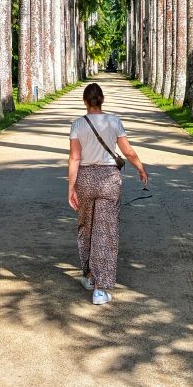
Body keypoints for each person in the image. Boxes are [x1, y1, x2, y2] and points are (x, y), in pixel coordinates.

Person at [68, 82, 148, 305]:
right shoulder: (114, 121)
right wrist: (141, 168)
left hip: (85, 179)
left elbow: (74, 158)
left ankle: (88, 275)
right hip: (109, 180)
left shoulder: (77, 124)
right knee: (106, 231)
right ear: (102, 100)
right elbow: (128, 151)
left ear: (85, 101)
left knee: (86, 227)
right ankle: (100, 289)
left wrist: (71, 188)